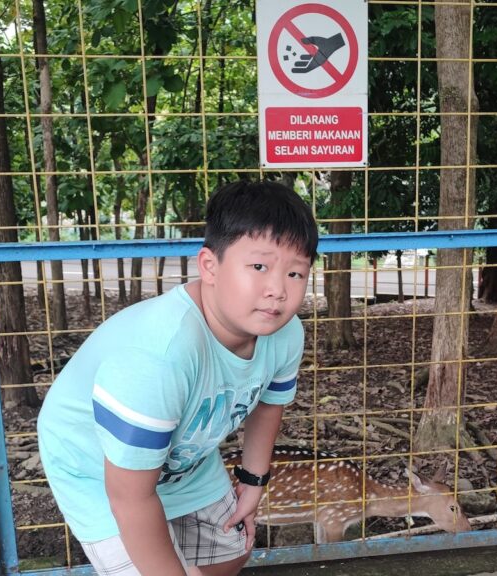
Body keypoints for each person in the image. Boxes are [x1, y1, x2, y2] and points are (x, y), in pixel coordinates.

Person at [37, 180, 317, 576]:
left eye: (295, 273)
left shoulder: (285, 334)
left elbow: (270, 402)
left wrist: (253, 481)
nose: (277, 290)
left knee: (232, 552)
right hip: (100, 471)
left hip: (185, 459)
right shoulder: (159, 357)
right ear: (210, 266)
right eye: (259, 266)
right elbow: (130, 497)